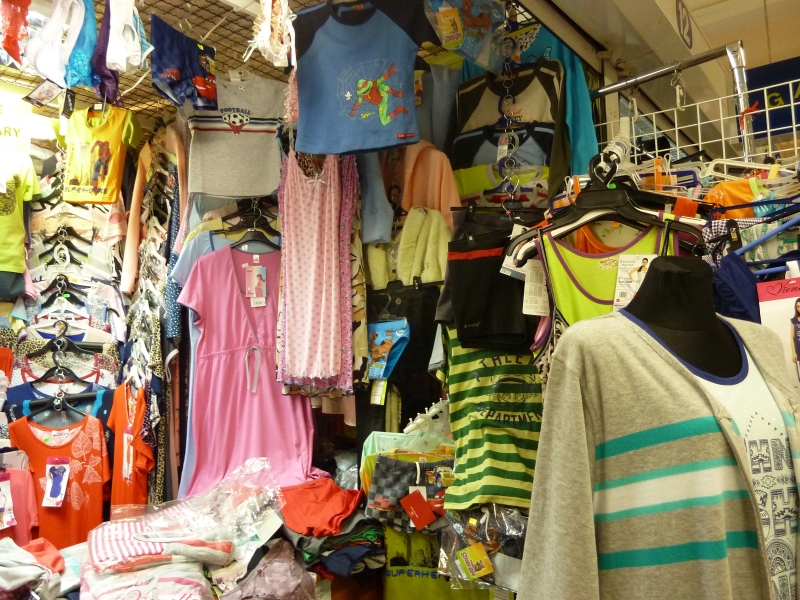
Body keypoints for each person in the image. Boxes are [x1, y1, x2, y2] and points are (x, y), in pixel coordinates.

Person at [790, 298, 800, 380]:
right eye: (798, 306)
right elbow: (792, 337)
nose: (799, 308)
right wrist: (793, 353)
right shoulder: (794, 321)